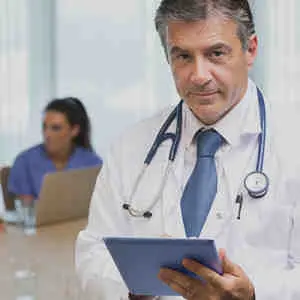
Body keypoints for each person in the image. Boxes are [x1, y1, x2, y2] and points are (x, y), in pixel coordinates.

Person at [76, 1, 300, 299]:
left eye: (216, 53)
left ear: (251, 50)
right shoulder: (131, 146)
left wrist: (255, 294)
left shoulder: (292, 141)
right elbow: (93, 252)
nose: (199, 75)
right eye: (182, 56)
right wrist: (132, 291)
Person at [8, 97, 102, 204]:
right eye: (44, 127)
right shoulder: (24, 162)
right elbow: (25, 212)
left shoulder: (93, 163)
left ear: (74, 130)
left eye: (56, 128)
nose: (47, 134)